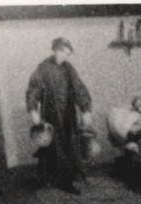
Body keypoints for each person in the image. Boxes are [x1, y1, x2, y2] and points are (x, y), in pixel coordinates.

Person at [26, 36, 93, 195]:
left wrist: (85, 110)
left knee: (69, 146)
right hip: (50, 114)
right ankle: (46, 179)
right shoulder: (42, 68)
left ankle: (66, 181)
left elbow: (79, 88)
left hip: (68, 115)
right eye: (63, 52)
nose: (65, 56)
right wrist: (33, 110)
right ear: (55, 50)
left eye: (68, 53)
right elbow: (33, 90)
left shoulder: (68, 68)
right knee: (49, 146)